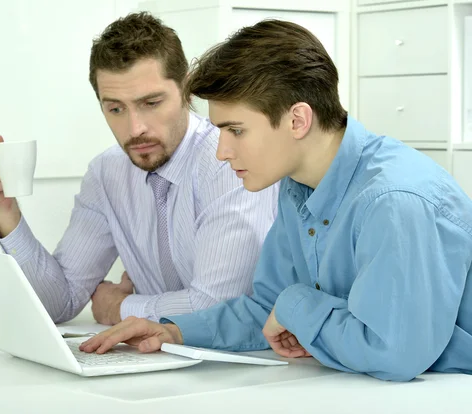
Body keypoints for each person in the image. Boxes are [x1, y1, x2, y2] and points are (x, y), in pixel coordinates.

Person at [79, 19, 472, 382]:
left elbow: (393, 352)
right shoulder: (297, 185)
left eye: (236, 130)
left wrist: (296, 304)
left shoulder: (394, 201)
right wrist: (173, 330)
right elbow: (266, 307)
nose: (222, 151)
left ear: (297, 120)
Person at [0, 12, 278, 326]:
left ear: (187, 89)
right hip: (154, 363)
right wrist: (6, 212)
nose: (135, 128)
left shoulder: (229, 162)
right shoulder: (106, 173)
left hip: (243, 365)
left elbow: (217, 307)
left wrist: (122, 308)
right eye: (115, 108)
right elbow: (58, 304)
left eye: (152, 103)